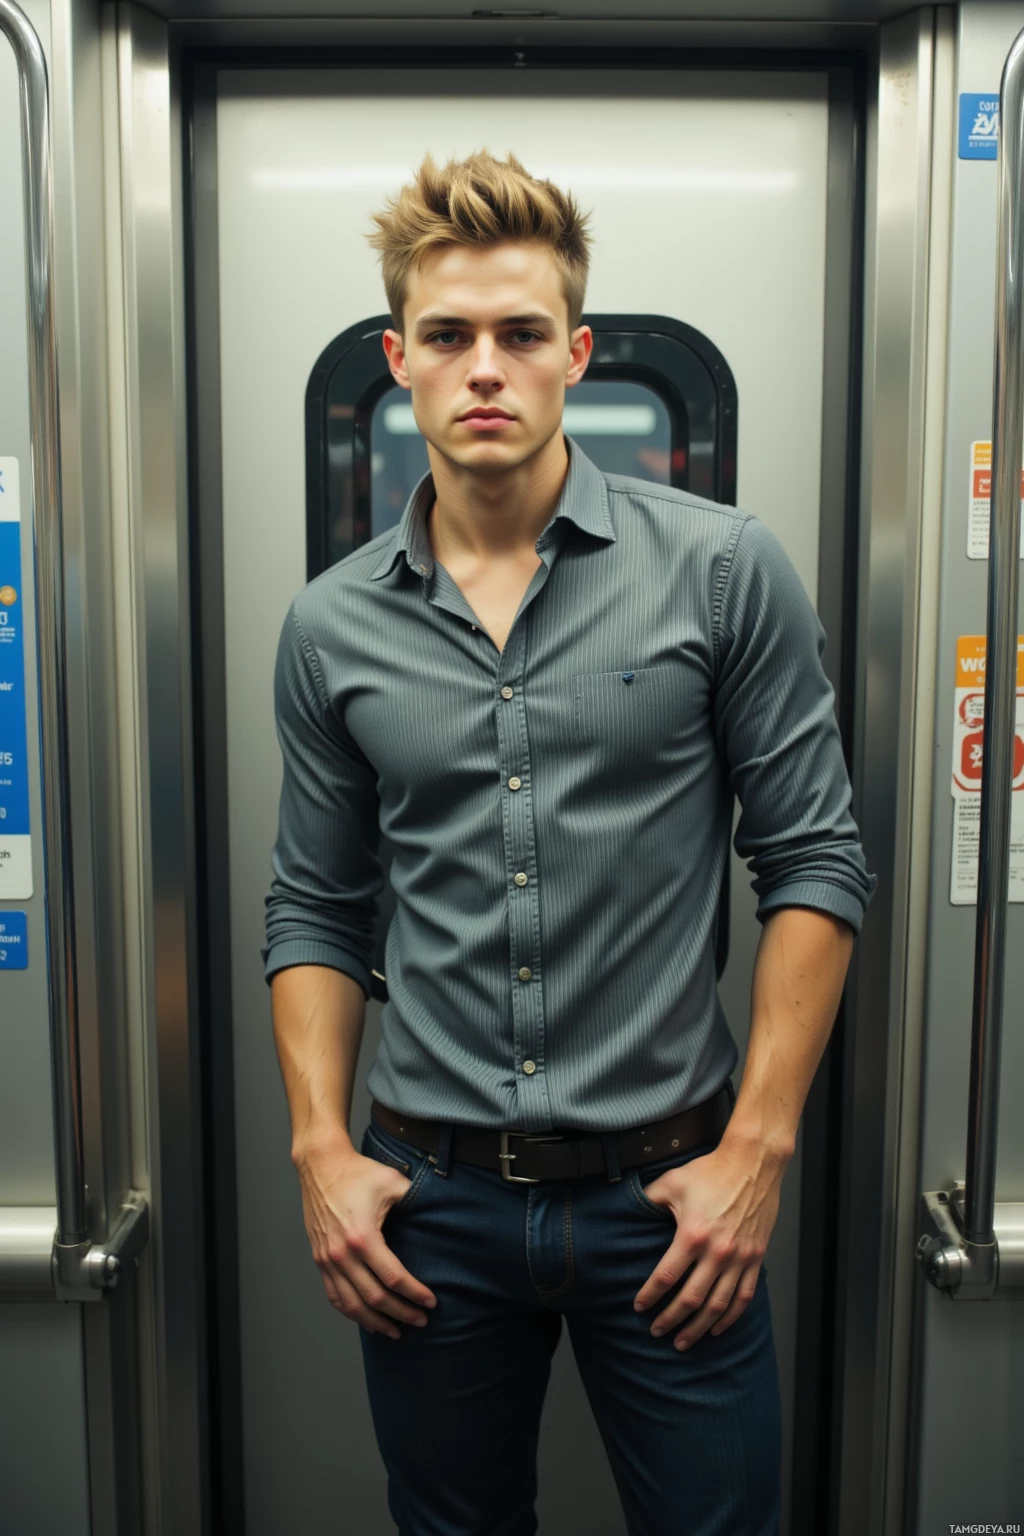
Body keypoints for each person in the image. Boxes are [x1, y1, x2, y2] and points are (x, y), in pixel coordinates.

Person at [263, 149, 876, 1536]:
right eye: (450, 336)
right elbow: (314, 904)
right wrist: (317, 1149)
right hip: (428, 1210)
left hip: (672, 1202)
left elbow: (817, 864)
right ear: (397, 359)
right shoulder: (330, 626)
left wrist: (759, 1152)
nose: (487, 366)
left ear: (577, 354)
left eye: (522, 335)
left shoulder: (724, 571)